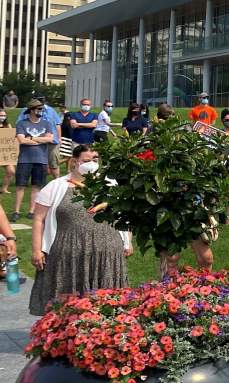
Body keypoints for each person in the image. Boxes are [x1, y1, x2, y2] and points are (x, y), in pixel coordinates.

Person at [29, 145, 131, 315]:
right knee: (67, 303)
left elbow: (123, 215)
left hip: (105, 252)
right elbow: (39, 218)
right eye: (86, 160)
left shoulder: (110, 185)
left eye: (95, 159)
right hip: (68, 253)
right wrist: (36, 250)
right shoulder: (55, 186)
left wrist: (128, 241)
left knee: (107, 302)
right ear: (74, 162)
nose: (91, 163)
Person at [12, 99, 55, 219]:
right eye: (39, 109)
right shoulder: (22, 123)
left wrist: (31, 138)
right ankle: (16, 211)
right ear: (31, 110)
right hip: (24, 159)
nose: (41, 111)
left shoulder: (47, 123)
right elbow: (21, 140)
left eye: (42, 109)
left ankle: (32, 211)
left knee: (37, 186)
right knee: (20, 186)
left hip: (41, 159)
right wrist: (40, 139)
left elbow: (50, 139)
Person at [0, 109, 13, 194]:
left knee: (11, 171)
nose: (3, 117)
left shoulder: (7, 125)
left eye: (4, 115)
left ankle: (4, 189)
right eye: (1, 115)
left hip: (5, 151)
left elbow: (11, 136)